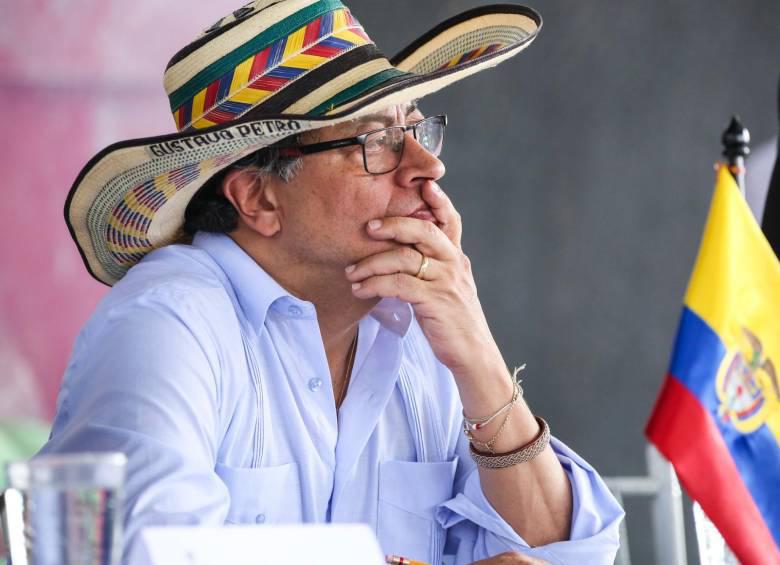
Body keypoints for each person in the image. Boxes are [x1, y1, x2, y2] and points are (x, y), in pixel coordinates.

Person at [42, 1, 624, 563]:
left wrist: (480, 359)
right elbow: (140, 557)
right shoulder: (166, 324)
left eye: (416, 129)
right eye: (377, 140)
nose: (429, 166)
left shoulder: (424, 323)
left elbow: (567, 553)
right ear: (259, 198)